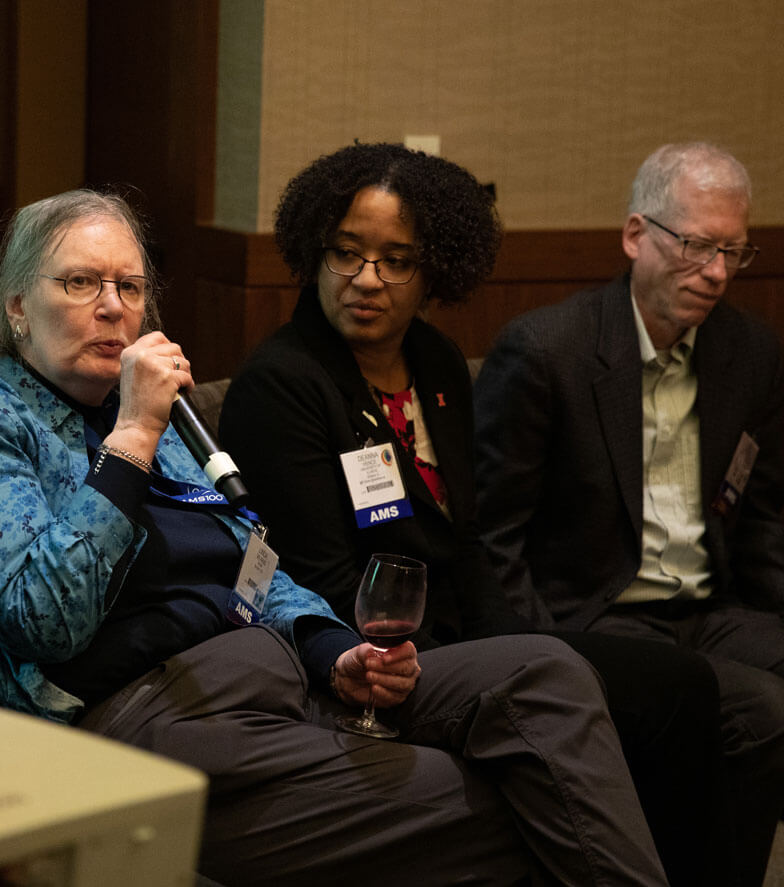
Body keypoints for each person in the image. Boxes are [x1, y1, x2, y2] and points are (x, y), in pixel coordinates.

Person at [0, 189, 671, 887]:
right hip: (135, 721)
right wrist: (133, 435)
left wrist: (333, 650)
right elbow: (43, 617)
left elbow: (255, 559)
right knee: (484, 797)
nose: (112, 307)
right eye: (80, 283)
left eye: (130, 287)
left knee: (544, 673)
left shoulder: (160, 419)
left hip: (278, 683)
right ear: (14, 308)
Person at [218, 142, 737, 887]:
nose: (367, 279)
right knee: (659, 688)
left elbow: (470, 540)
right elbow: (322, 575)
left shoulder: (433, 363)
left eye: (396, 260)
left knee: (681, 683)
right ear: (315, 251)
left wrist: (520, 642)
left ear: (435, 271)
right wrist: (486, 662)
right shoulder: (284, 383)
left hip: (468, 634)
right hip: (379, 659)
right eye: (345, 253)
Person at [472, 142, 784, 887]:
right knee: (769, 713)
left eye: (734, 252)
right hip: (599, 609)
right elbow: (495, 538)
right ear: (635, 236)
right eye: (696, 247)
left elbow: (763, 521)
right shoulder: (549, 349)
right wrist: (540, 660)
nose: (715, 273)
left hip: (711, 608)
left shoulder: (749, 352)